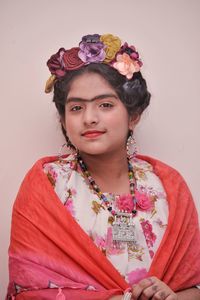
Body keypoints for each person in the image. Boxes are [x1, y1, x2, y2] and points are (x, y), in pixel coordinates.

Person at [7, 33, 200, 300]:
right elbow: (29, 291)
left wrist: (171, 297)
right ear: (64, 121)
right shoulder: (46, 185)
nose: (89, 118)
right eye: (76, 108)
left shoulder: (167, 186)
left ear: (133, 115)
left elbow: (193, 286)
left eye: (105, 104)